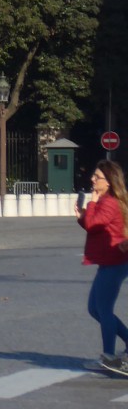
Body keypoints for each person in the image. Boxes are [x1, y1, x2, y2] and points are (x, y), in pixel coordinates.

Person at [76, 160, 128, 374]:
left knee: (103, 309)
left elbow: (93, 224)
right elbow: (93, 226)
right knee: (94, 308)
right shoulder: (106, 201)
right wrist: (82, 217)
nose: (92, 179)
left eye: (97, 177)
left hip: (115, 262)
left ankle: (109, 356)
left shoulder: (109, 203)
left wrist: (91, 204)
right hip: (108, 262)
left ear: (108, 181)